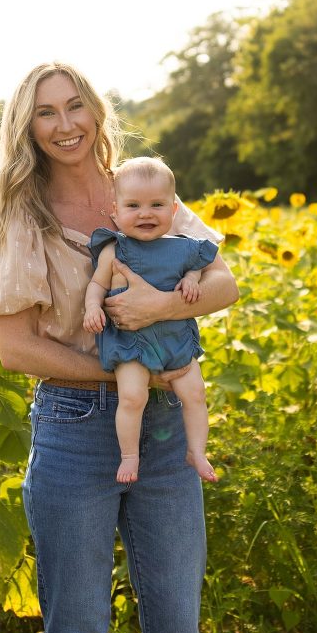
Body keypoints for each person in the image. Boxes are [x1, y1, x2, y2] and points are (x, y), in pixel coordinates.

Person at [0, 62, 239, 633]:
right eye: (47, 113)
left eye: (75, 105)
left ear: (96, 110)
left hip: (163, 436)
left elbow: (224, 281)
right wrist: (131, 372)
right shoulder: (17, 211)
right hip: (71, 431)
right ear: (26, 127)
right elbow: (18, 346)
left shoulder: (138, 188)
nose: (65, 124)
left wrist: (158, 309)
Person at [83, 155, 219, 484]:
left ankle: (197, 451)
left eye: (157, 204)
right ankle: (129, 456)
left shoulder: (184, 247)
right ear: (115, 211)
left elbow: (198, 266)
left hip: (174, 339)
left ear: (174, 211)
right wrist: (92, 308)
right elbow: (97, 284)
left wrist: (191, 278)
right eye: (133, 206)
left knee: (196, 393)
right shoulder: (114, 249)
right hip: (131, 343)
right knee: (132, 396)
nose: (146, 213)